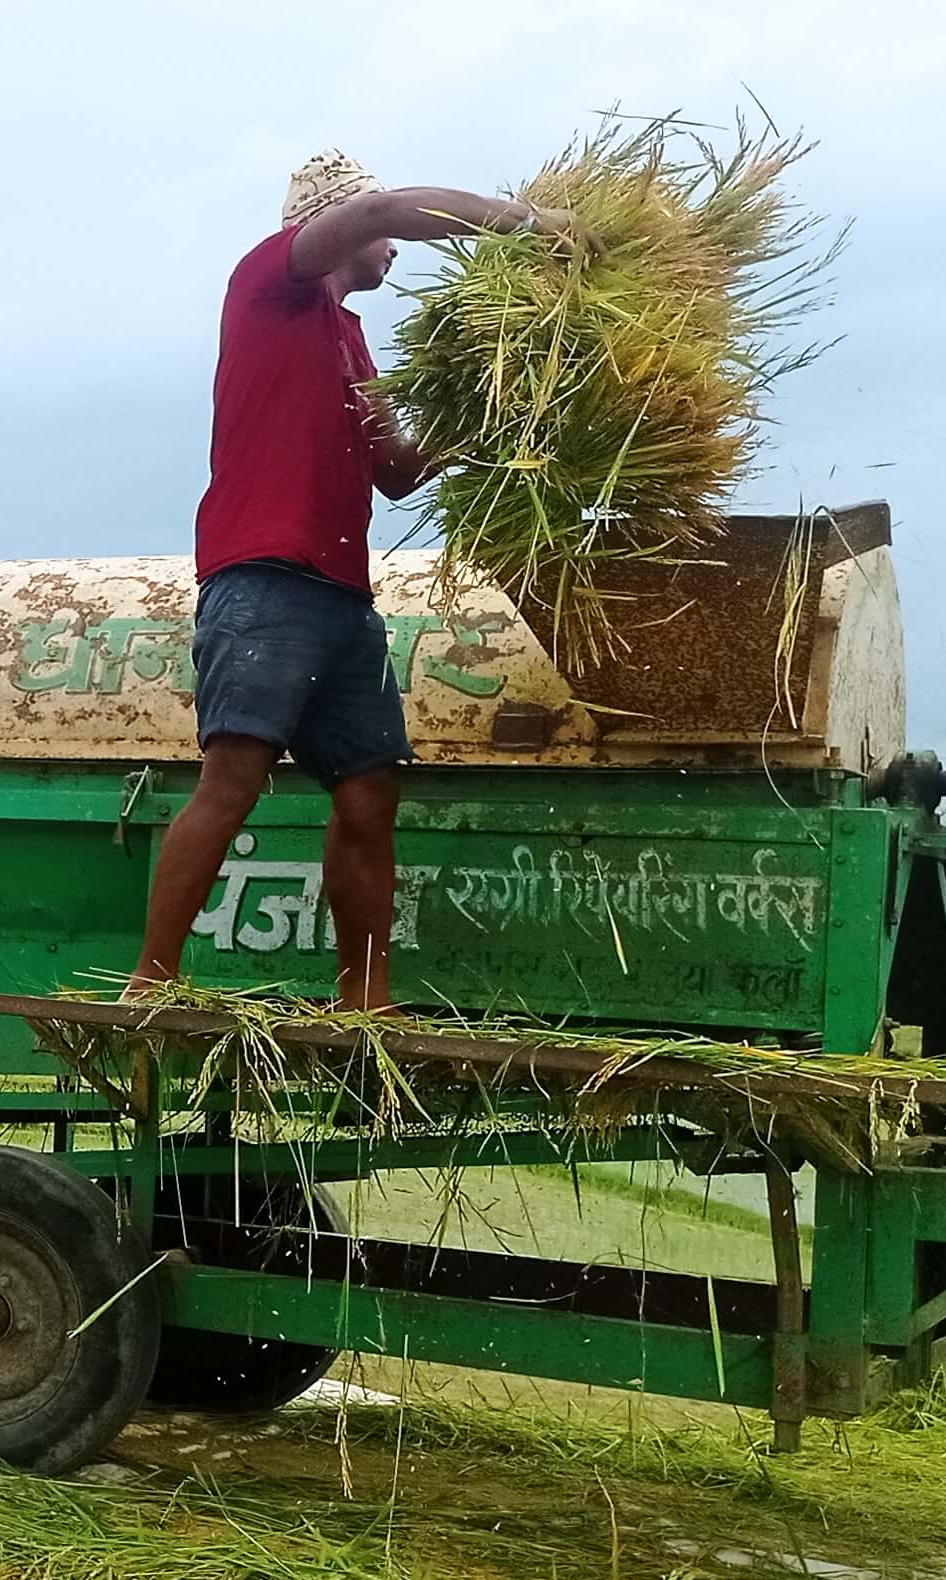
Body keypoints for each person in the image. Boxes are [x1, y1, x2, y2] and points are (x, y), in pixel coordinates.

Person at [127, 151, 555, 1013]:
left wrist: (484, 413)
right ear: (333, 226)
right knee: (236, 777)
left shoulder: (353, 340)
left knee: (368, 790)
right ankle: (154, 980)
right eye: (383, 232)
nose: (394, 245)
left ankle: (366, 997)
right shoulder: (268, 283)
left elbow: (393, 470)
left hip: (341, 595)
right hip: (262, 577)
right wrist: (529, 227)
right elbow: (379, 210)